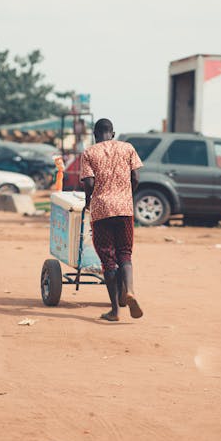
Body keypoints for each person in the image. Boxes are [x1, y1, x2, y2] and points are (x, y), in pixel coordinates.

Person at [80, 118, 144, 322]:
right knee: (125, 253)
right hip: (124, 209)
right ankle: (130, 291)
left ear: (95, 134)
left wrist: (88, 200)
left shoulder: (89, 152)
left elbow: (89, 183)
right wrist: (126, 195)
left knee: (108, 259)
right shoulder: (128, 148)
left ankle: (115, 311)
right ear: (113, 133)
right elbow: (136, 178)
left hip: (101, 210)